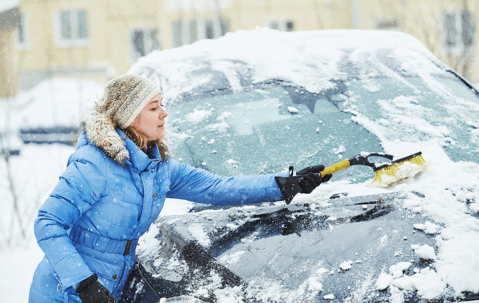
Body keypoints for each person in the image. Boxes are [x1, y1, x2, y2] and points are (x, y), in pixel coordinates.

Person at [28, 74, 330, 303]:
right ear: (129, 117)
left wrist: (283, 184)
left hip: (112, 285)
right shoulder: (94, 165)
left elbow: (217, 188)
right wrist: (83, 282)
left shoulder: (157, 168)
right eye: (154, 108)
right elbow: (48, 223)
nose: (164, 114)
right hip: (63, 290)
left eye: (163, 106)